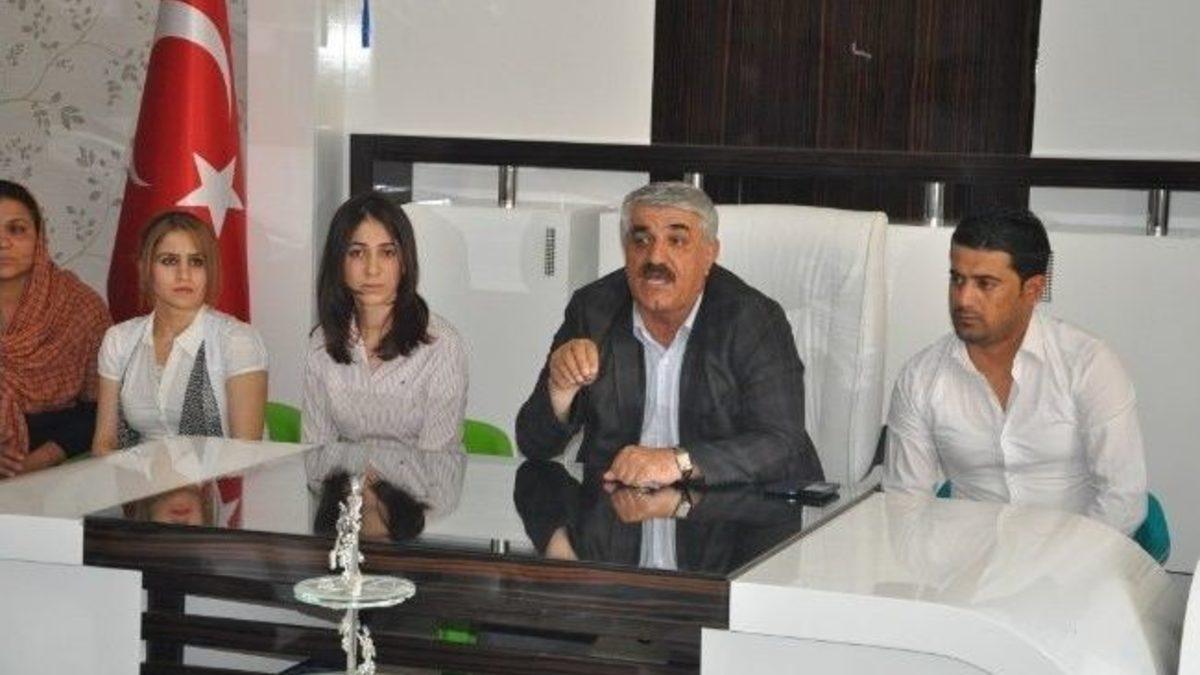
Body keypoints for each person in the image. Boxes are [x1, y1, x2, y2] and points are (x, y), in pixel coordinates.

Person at [515, 181, 822, 487]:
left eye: (676, 241)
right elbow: (533, 444)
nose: (655, 258)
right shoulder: (593, 311)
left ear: (709, 254)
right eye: (641, 240)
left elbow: (782, 444)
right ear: (625, 249)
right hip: (622, 507)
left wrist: (679, 462)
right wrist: (560, 391)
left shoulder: (752, 320)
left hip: (729, 506)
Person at [883, 207, 1147, 535]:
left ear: (1033, 289)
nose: (963, 299)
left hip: (1074, 554)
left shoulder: (1088, 365)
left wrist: (1063, 562)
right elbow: (905, 505)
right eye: (957, 279)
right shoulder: (920, 379)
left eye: (985, 284)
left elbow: (1123, 499)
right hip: (967, 558)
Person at [302, 191, 468, 456]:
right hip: (346, 483)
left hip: (418, 483)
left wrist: (377, 481)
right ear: (338, 263)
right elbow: (317, 454)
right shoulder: (322, 343)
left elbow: (437, 465)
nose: (372, 269)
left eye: (387, 253)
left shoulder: (441, 345)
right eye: (357, 253)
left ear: (405, 262)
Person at [92, 211, 267, 453]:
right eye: (169, 261)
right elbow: (104, 444)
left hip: (221, 474)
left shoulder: (238, 341)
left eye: (196, 262)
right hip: (135, 473)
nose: (184, 275)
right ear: (145, 267)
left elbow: (245, 455)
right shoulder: (119, 340)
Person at [0, 179, 110, 477]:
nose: (3, 243)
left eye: (16, 229)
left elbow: (104, 408)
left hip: (61, 469)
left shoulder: (79, 307)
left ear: (39, 238)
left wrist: (40, 461)